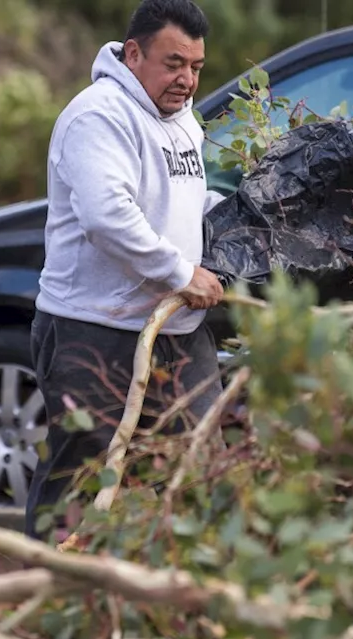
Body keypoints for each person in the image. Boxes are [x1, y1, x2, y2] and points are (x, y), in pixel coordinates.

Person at [25, 0, 228, 541]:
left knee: (203, 469)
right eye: (174, 63)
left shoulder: (182, 119)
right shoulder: (98, 115)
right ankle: (50, 597)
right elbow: (107, 217)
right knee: (81, 479)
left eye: (196, 68)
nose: (186, 79)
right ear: (133, 53)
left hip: (178, 333)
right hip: (95, 332)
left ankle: (187, 600)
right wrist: (180, 273)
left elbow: (180, 200)